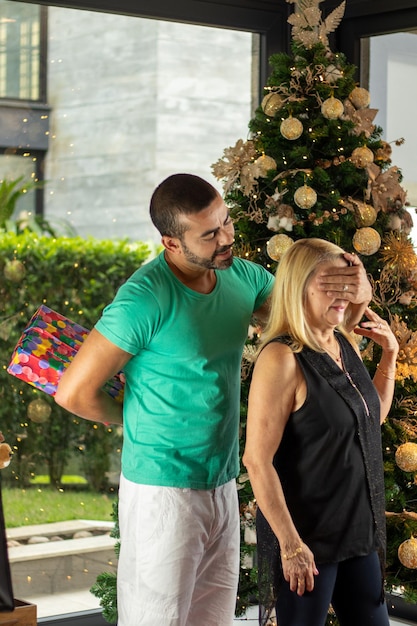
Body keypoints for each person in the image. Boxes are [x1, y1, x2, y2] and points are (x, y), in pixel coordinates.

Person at [55, 175, 371, 626]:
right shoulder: (143, 300)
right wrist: (138, 420)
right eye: (209, 234)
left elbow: (309, 324)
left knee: (213, 618)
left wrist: (354, 292)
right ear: (170, 241)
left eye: (225, 223)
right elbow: (73, 393)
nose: (226, 239)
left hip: (221, 482)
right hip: (162, 491)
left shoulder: (241, 277)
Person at [243, 237, 399, 626]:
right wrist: (291, 545)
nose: (342, 297)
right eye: (330, 286)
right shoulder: (281, 358)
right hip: (308, 540)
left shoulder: (341, 341)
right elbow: (257, 461)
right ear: (300, 287)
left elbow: (370, 418)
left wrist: (389, 357)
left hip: (358, 532)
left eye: (345, 286)